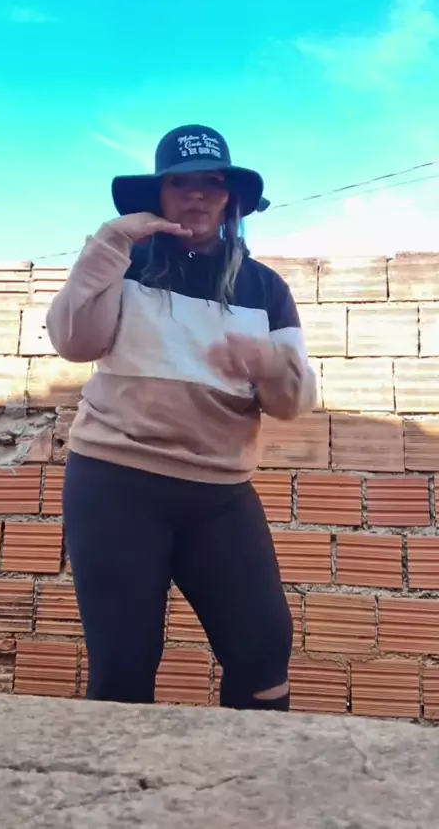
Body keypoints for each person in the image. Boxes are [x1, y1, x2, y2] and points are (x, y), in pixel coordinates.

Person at [46, 123, 316, 712]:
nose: (196, 194)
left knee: (264, 652)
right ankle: (116, 773)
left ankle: (251, 770)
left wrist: (268, 361)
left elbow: (293, 402)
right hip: (116, 483)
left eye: (211, 183)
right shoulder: (126, 264)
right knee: (123, 664)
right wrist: (109, 243)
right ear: (159, 195)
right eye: (180, 183)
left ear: (230, 199)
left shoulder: (264, 288)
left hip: (220, 493)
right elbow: (74, 341)